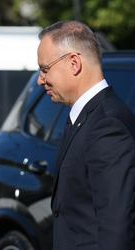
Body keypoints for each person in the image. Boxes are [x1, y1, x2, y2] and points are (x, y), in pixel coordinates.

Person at [37, 20, 135, 250]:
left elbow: (116, 226)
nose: (41, 79)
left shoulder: (108, 126)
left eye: (44, 69)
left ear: (74, 63)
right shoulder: (84, 118)